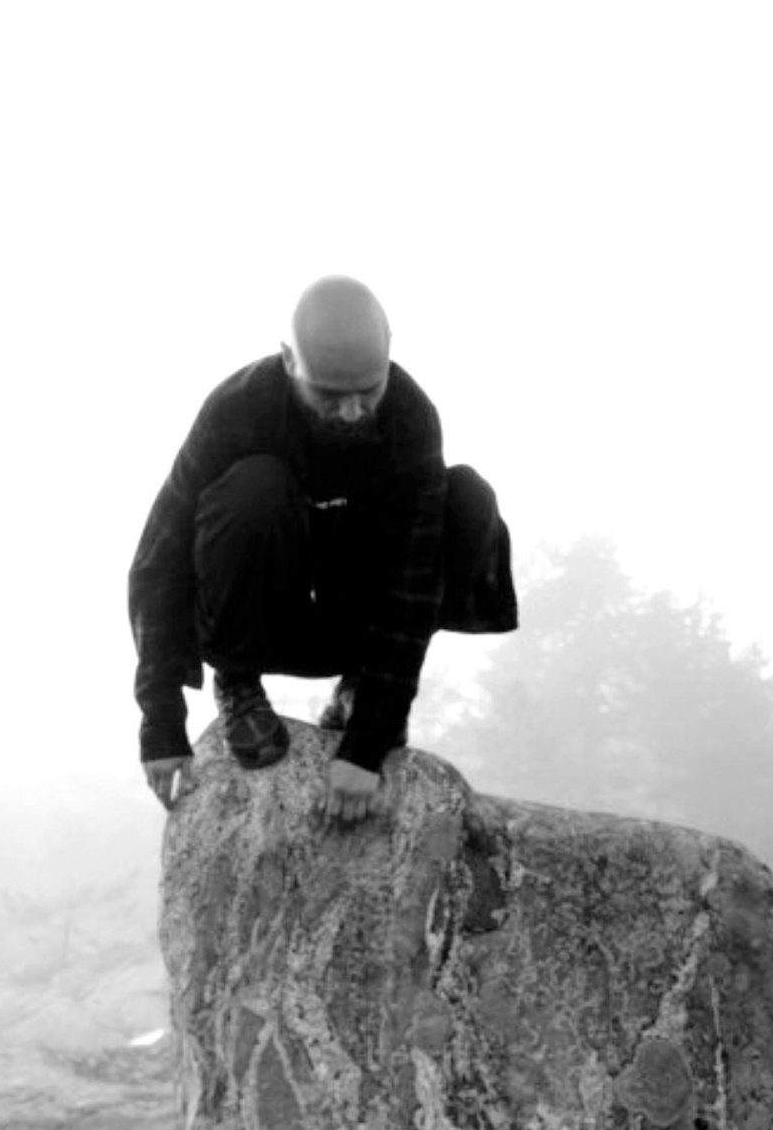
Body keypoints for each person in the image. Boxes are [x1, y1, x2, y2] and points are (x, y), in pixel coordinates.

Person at [129, 276, 516, 825]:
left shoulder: (410, 418)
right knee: (253, 488)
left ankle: (357, 686)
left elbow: (413, 582)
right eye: (331, 396)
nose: (354, 412)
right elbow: (160, 558)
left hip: (354, 620)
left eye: (368, 392)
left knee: (469, 501)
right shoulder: (237, 410)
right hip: (258, 618)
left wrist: (367, 744)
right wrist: (160, 719)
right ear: (289, 361)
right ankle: (238, 684)